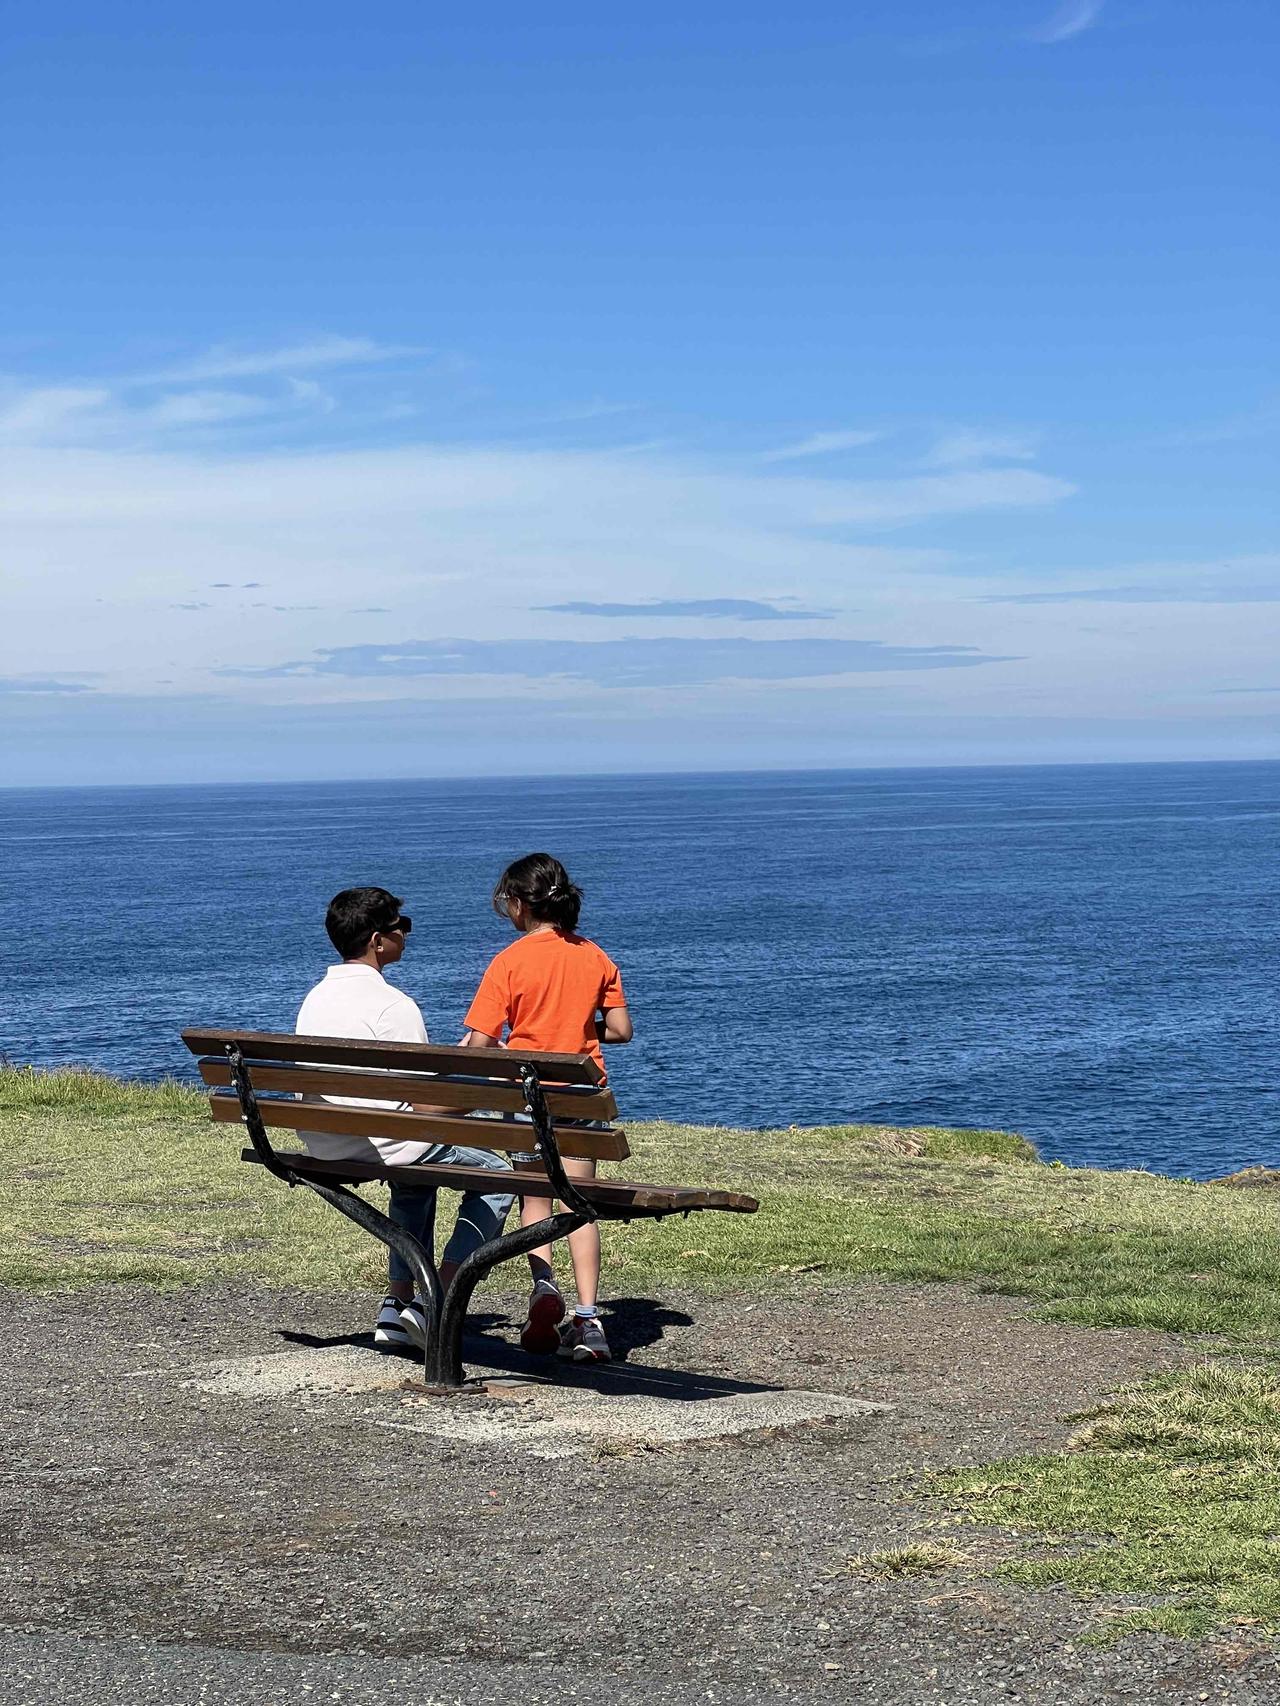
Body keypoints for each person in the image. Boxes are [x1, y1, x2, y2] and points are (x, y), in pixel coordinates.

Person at [296, 886, 515, 1354]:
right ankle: (440, 1298)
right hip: (386, 1144)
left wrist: (456, 1058)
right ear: (378, 940)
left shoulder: (316, 998)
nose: (406, 935)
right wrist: (479, 1078)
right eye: (403, 927)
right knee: (498, 1176)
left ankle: (397, 1307)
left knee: (415, 1178)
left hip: (327, 1142)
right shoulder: (393, 1004)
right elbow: (424, 1103)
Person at [461, 853, 632, 1364]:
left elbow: (479, 1046)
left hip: (528, 1097)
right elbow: (620, 1030)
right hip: (582, 1095)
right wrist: (580, 1032)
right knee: (579, 1202)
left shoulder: (510, 961)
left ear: (517, 904)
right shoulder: (596, 956)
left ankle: (542, 1284)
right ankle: (588, 1318)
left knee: (534, 1196)